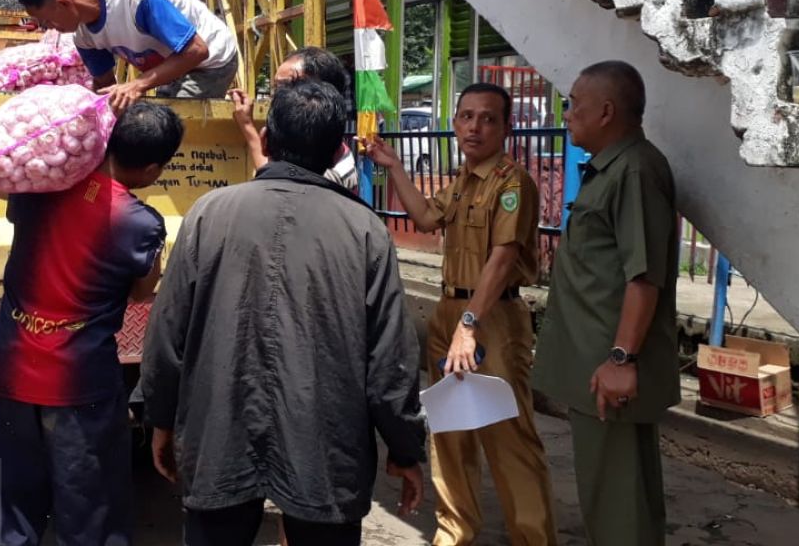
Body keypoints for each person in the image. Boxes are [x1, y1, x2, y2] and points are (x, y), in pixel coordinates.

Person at [142, 80, 426, 546]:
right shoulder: (365, 230)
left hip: (219, 434)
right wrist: (404, 447)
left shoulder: (207, 214)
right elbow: (390, 360)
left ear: (268, 142)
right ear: (338, 151)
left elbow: (167, 331)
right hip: (325, 448)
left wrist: (160, 416)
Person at [0, 101, 185, 546]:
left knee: (8, 508)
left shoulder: (44, 187)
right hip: (80, 383)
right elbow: (142, 292)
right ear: (151, 170)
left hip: (11, 370)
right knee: (90, 511)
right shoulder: (139, 223)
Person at [365, 82, 556, 546]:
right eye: (467, 116)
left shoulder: (512, 183)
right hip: (452, 312)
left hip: (492, 317)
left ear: (507, 128)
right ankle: (454, 532)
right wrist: (393, 168)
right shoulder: (466, 180)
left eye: (488, 118)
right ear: (454, 124)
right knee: (450, 433)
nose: (475, 126)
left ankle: (533, 539)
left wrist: (469, 326)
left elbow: (504, 256)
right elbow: (427, 218)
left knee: (510, 440)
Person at [532, 61, 679, 546]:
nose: (568, 113)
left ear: (606, 111)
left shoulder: (634, 170)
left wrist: (621, 359)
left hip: (608, 373)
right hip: (596, 367)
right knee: (617, 498)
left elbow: (644, 276)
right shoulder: (615, 168)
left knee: (618, 508)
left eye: (575, 103)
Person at [16, 0, 239, 113]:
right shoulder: (84, 38)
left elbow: (196, 50)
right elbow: (105, 85)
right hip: (173, 64)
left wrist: (137, 84)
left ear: (65, 4)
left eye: (47, 21)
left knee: (172, 123)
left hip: (210, 61)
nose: (49, 29)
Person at [229, 46, 357, 190]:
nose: (277, 96)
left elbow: (278, 180)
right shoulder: (323, 148)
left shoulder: (335, 169)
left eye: (287, 86)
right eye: (275, 88)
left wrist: (247, 126)